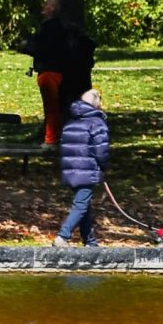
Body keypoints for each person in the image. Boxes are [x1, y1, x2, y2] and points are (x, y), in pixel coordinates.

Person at [19, 0, 97, 144]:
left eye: (47, 4)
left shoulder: (49, 28)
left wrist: (26, 47)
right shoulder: (61, 28)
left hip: (49, 71)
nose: (43, 6)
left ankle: (51, 139)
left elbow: (44, 49)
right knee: (58, 106)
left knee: (51, 107)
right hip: (59, 71)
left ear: (53, 9)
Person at [53, 86, 110, 248]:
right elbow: (102, 150)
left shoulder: (71, 122)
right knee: (81, 204)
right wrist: (104, 167)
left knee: (84, 203)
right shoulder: (97, 123)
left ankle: (90, 241)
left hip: (70, 170)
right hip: (87, 170)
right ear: (96, 103)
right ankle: (62, 236)